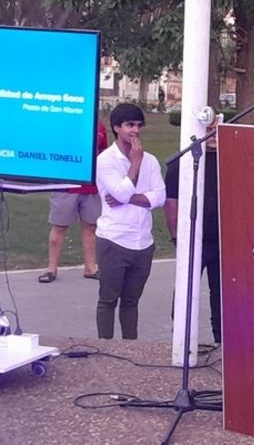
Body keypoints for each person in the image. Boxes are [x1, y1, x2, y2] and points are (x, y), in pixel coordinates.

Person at [95, 103, 165, 339]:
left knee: (131, 301)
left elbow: (160, 197)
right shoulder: (106, 160)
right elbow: (120, 194)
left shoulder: (152, 161)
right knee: (108, 300)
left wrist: (128, 198)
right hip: (114, 240)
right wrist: (135, 163)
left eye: (137, 125)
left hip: (142, 243)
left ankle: (131, 350)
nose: (135, 130)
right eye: (129, 125)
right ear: (116, 128)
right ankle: (105, 349)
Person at [164, 119, 221, 344]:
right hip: (193, 239)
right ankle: (181, 338)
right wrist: (177, 236)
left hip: (223, 240)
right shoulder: (184, 161)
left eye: (217, 130)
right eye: (209, 130)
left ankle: (221, 340)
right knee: (186, 290)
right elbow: (171, 202)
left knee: (221, 294)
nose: (213, 135)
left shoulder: (232, 160)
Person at [38, 121, 108, 283]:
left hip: (91, 185)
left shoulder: (100, 127)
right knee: (59, 227)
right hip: (66, 184)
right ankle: (51, 268)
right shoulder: (64, 123)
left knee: (91, 227)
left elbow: (103, 151)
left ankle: (90, 267)